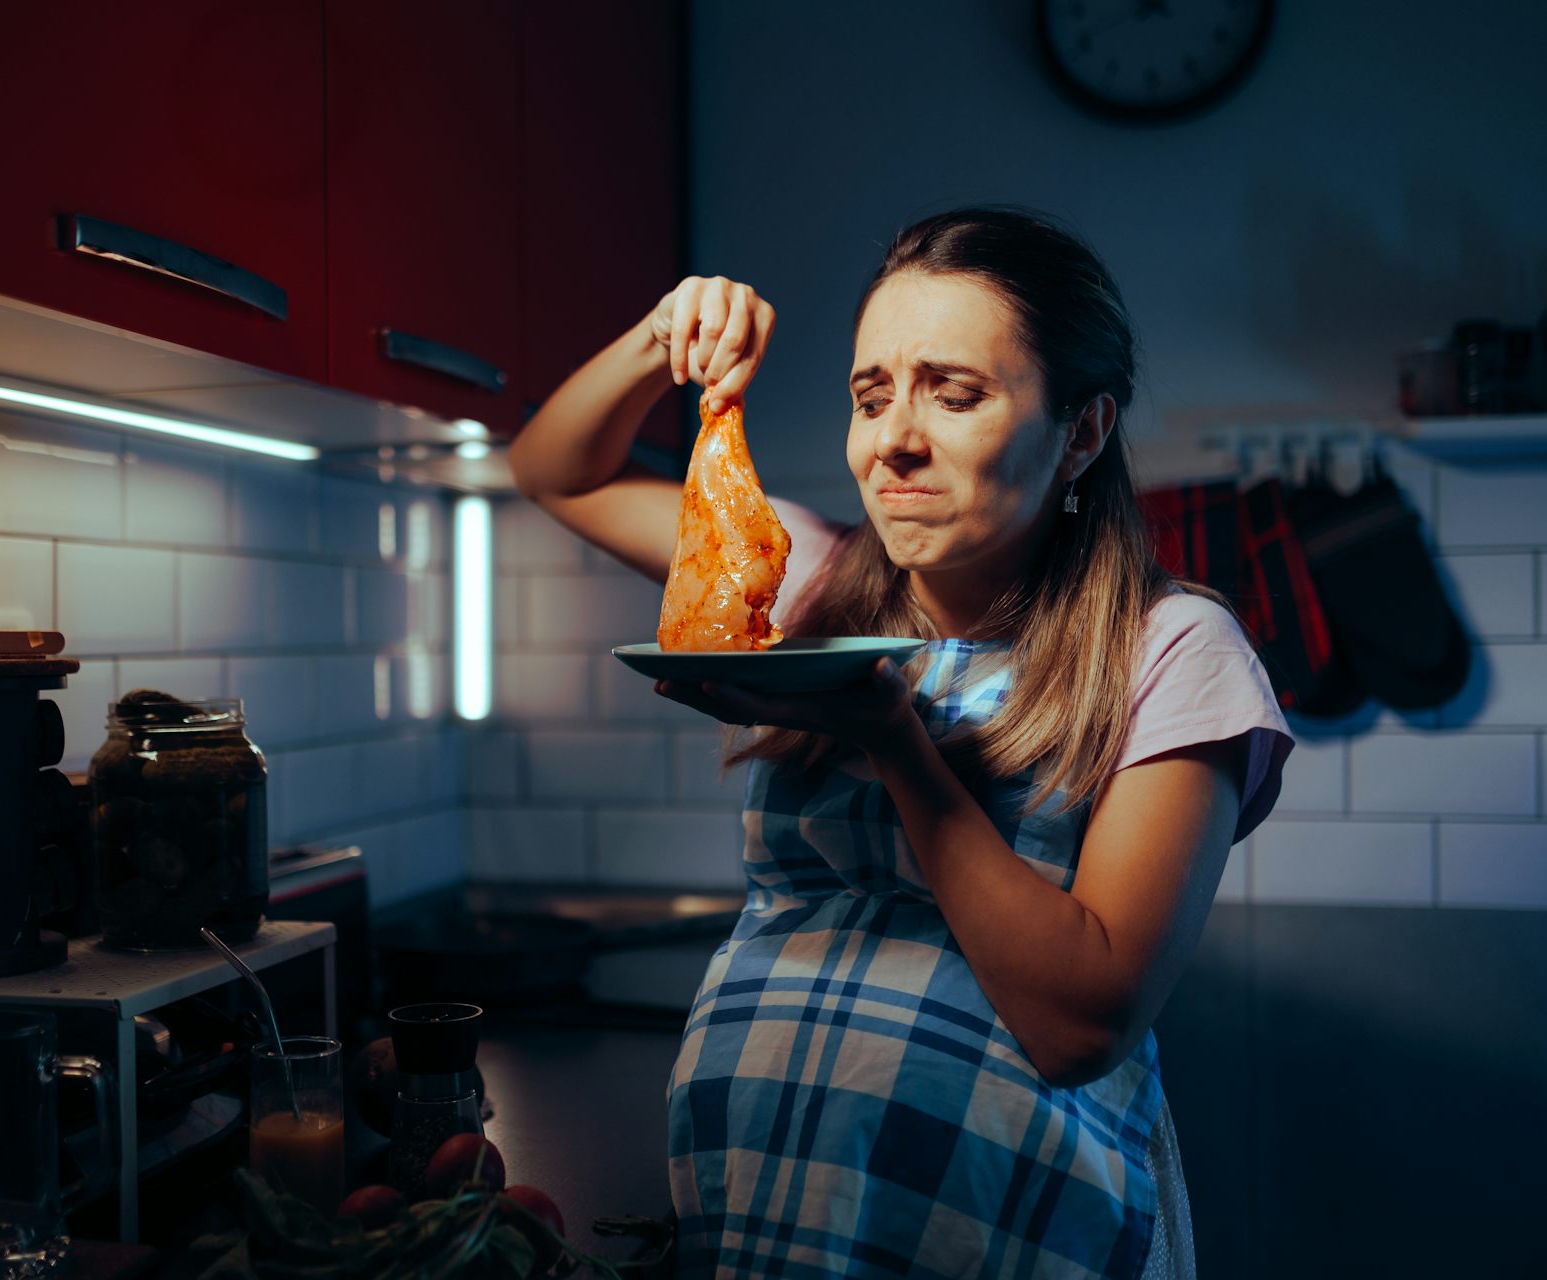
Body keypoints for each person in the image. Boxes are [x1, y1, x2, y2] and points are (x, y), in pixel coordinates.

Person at [509, 207, 1292, 1279]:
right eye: (870, 395)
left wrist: (894, 737)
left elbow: (1081, 1022)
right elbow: (560, 471)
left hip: (1005, 1237)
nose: (894, 439)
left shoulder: (1171, 649)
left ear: (1082, 431)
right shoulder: (812, 580)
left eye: (953, 392)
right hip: (760, 1220)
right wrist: (666, 336)